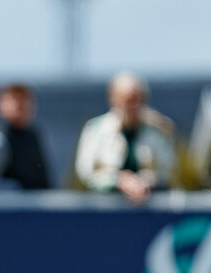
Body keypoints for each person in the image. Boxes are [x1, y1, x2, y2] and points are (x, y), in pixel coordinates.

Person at [74, 71, 176, 204]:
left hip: (149, 208)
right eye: (127, 100)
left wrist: (146, 181)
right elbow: (85, 172)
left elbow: (169, 170)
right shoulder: (96, 128)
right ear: (113, 99)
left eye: (137, 99)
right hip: (105, 208)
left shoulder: (157, 131)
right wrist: (118, 180)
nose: (132, 106)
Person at [0, 84, 51, 192]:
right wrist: (21, 191)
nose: (20, 104)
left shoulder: (33, 136)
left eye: (24, 99)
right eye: (14, 98)